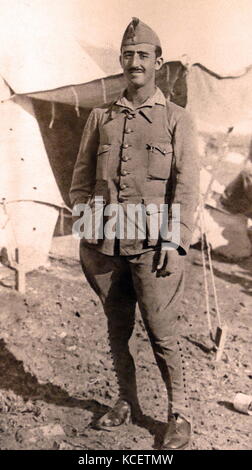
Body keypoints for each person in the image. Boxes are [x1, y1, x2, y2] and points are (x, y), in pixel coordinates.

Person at [70, 18, 199, 450]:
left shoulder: (178, 120)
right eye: (128, 55)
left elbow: (186, 186)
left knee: (162, 333)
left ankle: (178, 414)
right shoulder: (100, 117)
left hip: (154, 245)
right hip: (106, 243)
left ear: (158, 63)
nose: (134, 62)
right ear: (120, 62)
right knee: (117, 328)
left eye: (143, 55)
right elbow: (81, 179)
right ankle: (125, 400)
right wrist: (85, 231)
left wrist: (174, 238)